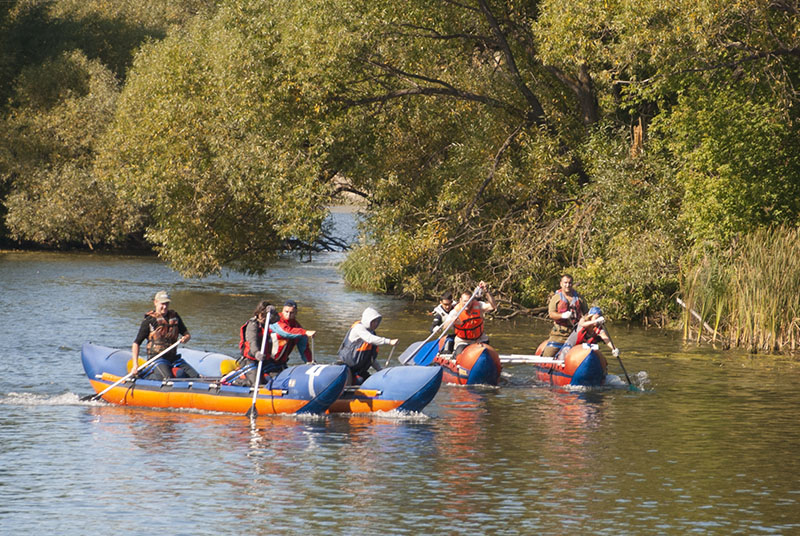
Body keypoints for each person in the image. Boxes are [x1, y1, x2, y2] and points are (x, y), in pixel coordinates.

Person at [131, 290, 197, 380]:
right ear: (155, 302)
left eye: (167, 304)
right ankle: (144, 376)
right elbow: (136, 343)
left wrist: (185, 338)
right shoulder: (149, 321)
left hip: (174, 359)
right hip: (157, 359)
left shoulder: (175, 317)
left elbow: (187, 334)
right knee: (167, 378)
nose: (165, 306)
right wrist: (135, 365)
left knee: (195, 376)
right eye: (162, 304)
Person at [337, 307, 398, 383]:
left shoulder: (372, 333)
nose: (375, 324)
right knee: (360, 381)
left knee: (372, 381)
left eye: (377, 321)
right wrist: (389, 341)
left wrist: (380, 370)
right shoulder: (359, 328)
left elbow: (371, 359)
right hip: (346, 368)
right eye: (373, 321)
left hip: (359, 370)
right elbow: (369, 338)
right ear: (368, 320)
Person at [228, 301, 280, 386]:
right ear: (258, 313)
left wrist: (273, 312)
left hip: (265, 359)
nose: (263, 317)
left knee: (277, 377)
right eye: (262, 315)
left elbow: (278, 319)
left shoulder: (266, 323)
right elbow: (252, 341)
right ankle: (236, 381)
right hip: (250, 360)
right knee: (256, 383)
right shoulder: (252, 325)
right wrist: (256, 353)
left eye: (266, 315)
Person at [440, 281, 496, 357]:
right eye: (465, 301)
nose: (467, 304)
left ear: (472, 301)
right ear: (460, 300)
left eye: (469, 301)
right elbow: (445, 327)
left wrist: (486, 291)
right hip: (463, 341)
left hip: (479, 339)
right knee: (459, 355)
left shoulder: (478, 306)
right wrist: (452, 322)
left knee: (487, 355)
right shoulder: (455, 312)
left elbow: (493, 306)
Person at [542, 274, 589, 358]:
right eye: (565, 283)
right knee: (547, 355)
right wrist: (562, 315)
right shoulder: (556, 298)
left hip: (575, 333)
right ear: (561, 284)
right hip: (559, 335)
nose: (568, 285)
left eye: (570, 283)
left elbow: (586, 314)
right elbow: (551, 314)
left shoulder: (580, 298)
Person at [269, 300, 316, 365]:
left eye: (291, 313)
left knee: (302, 337)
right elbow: (285, 332)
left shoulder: (297, 327)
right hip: (266, 359)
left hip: (281, 362)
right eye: (286, 312)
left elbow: (304, 349)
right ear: (282, 310)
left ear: (296, 313)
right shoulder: (275, 320)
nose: (288, 315)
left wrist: (310, 362)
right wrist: (305, 332)